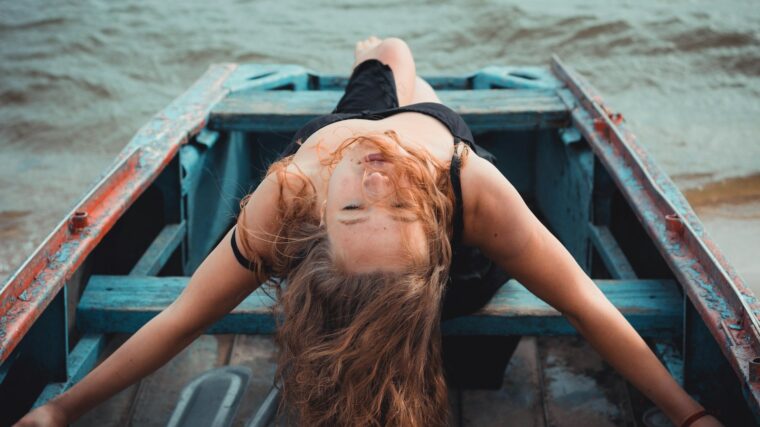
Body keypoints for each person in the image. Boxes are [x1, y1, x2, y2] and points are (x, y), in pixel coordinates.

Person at [16, 37, 721, 427]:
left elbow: (185, 315)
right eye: (397, 210)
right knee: (400, 62)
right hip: (438, 142)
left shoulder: (298, 188)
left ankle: (384, 60)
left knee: (379, 59)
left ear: (320, 224)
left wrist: (59, 409)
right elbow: (582, 302)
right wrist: (689, 415)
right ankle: (397, 65)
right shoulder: (464, 182)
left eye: (358, 210)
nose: (380, 177)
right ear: (437, 232)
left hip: (339, 131)